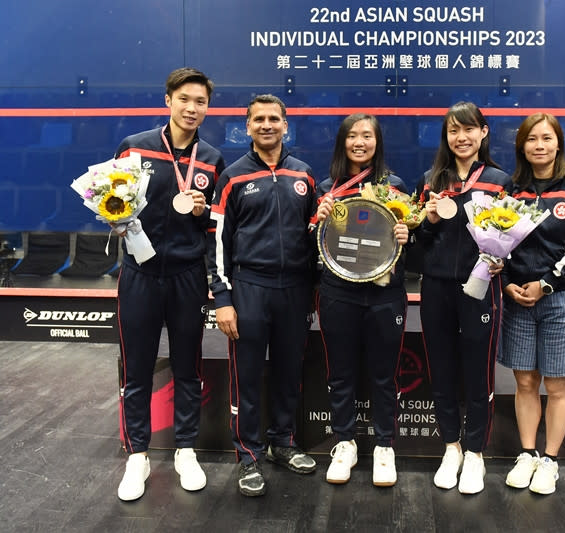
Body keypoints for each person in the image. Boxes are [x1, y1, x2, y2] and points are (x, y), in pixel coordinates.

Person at [114, 67, 225, 501]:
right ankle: (137, 454)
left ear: (207, 108)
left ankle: (185, 449)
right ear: (168, 100)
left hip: (186, 277)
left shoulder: (213, 160)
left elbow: (215, 226)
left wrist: (200, 212)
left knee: (187, 368)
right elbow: (112, 201)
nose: (192, 108)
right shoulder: (134, 148)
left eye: (200, 101)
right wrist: (116, 221)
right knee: (136, 369)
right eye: (185, 99)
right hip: (139, 274)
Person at [207, 94, 318, 497]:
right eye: (259, 120)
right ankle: (249, 455)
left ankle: (283, 442)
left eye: (274, 119)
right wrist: (222, 298)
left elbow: (314, 236)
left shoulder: (304, 175)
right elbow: (217, 241)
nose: (267, 125)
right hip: (249, 288)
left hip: (295, 291)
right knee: (247, 376)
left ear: (286, 125)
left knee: (290, 371)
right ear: (248, 127)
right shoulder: (232, 176)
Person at [500, 113, 565, 495]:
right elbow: (497, 240)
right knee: (525, 380)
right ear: (522, 146)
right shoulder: (512, 188)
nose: (538, 145)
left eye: (546, 138)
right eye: (531, 139)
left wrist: (547, 283)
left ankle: (550, 460)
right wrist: (508, 282)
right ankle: (527, 454)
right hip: (519, 299)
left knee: (558, 385)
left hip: (563, 299)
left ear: (559, 143)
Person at [415, 102, 511, 495]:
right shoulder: (431, 179)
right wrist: (429, 221)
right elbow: (418, 242)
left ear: (483, 132)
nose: (462, 137)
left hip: (480, 290)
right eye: (454, 130)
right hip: (436, 287)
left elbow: (512, 233)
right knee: (441, 370)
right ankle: (450, 446)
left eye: (469, 129)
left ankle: (475, 452)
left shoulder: (500, 180)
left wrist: (504, 261)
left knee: (477, 372)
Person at [314, 113, 409, 487]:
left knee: (385, 375)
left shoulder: (396, 186)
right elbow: (317, 248)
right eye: (352, 135)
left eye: (366, 136)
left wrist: (406, 234)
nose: (359, 142)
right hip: (339, 293)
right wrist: (317, 221)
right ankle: (344, 442)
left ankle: (385, 446)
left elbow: (410, 249)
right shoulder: (327, 188)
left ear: (377, 142)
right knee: (341, 373)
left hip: (385, 294)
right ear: (342, 142)